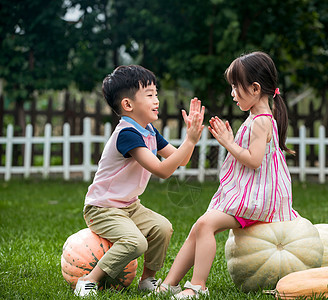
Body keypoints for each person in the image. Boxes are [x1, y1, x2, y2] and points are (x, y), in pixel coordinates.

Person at [155, 51, 299, 299]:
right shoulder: (257, 118)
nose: (232, 93)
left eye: (236, 86)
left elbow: (254, 161)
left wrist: (228, 142)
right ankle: (170, 284)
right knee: (199, 227)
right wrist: (231, 141)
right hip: (251, 194)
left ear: (255, 88)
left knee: (206, 224)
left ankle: (197, 286)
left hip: (259, 200)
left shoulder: (262, 121)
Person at [74, 65, 205, 297]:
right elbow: (163, 170)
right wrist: (190, 140)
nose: (157, 100)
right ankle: (88, 279)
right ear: (128, 105)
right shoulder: (127, 134)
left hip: (129, 206)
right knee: (136, 243)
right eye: (150, 95)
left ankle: (148, 280)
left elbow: (180, 161)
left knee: (162, 228)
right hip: (103, 208)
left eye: (156, 93)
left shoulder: (149, 131)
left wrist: (190, 140)